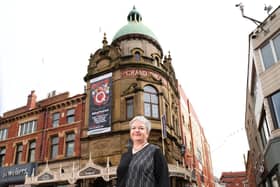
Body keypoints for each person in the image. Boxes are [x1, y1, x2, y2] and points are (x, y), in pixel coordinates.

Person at [116, 115, 170, 187]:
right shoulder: (125, 155)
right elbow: (120, 181)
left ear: (147, 133)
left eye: (141, 128)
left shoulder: (155, 152)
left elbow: (163, 181)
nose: (137, 130)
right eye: (133, 128)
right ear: (130, 132)